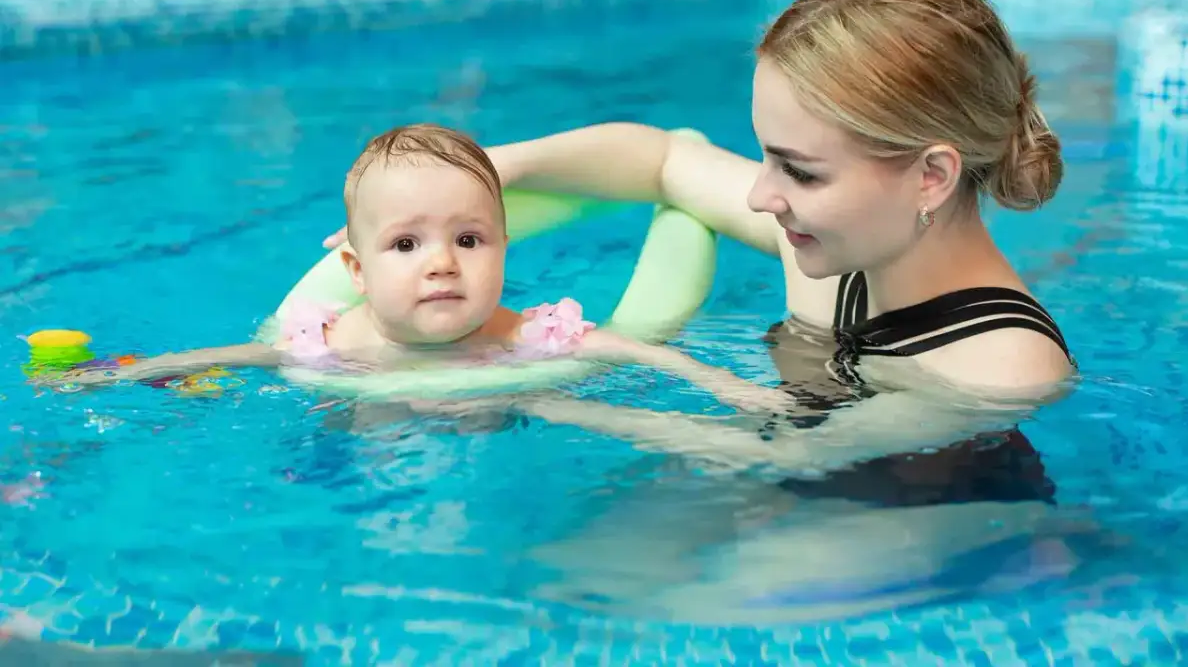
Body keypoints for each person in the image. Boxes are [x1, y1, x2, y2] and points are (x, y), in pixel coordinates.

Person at [353, 0, 1097, 617]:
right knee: (572, 587)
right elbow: (666, 160)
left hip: (923, 508)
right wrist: (490, 168)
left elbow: (791, 460)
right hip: (771, 451)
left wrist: (530, 394)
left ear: (929, 177)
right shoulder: (843, 233)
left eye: (798, 170)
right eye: (766, 159)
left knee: (689, 611)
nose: (760, 196)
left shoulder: (1003, 363)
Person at [54, 124, 769, 415]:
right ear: (356, 271)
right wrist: (125, 373)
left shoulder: (524, 335)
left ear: (503, 248)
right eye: (405, 246)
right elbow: (240, 357)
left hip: (503, 424)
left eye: (468, 239)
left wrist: (722, 383)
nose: (441, 264)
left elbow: (628, 348)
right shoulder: (329, 342)